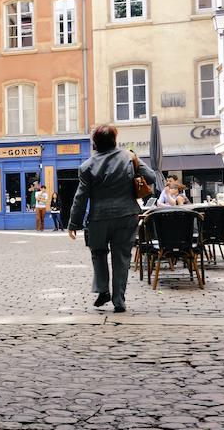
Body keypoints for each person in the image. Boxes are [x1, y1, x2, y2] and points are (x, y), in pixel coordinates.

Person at [67, 124, 157, 314]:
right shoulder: (128, 157)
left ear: (95, 143)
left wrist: (73, 223)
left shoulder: (87, 166)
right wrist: (136, 159)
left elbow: (80, 197)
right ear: (115, 139)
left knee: (98, 253)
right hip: (126, 215)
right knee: (121, 257)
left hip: (98, 218)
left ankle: (103, 290)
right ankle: (119, 300)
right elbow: (151, 177)